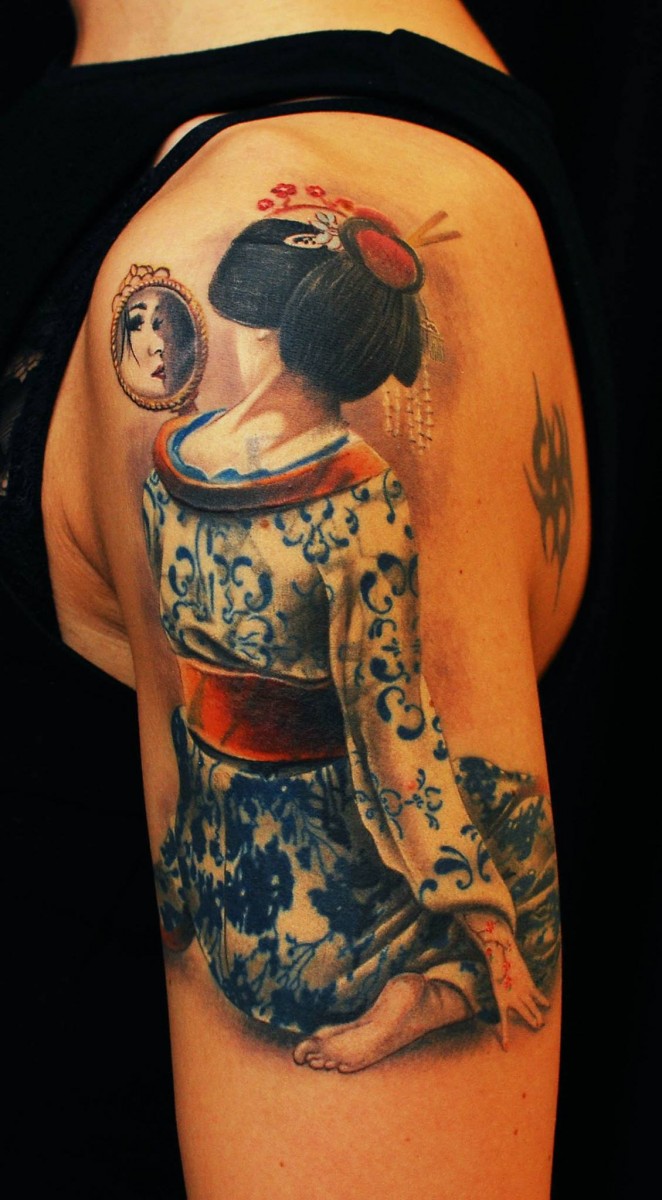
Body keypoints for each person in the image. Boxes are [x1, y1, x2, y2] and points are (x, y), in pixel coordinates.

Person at [0, 2, 611, 1196]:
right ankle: (434, 974)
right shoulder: (352, 489)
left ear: (261, 311)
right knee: (492, 854)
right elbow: (395, 731)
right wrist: (483, 913)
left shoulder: (191, 419)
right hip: (314, 927)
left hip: (239, 903)